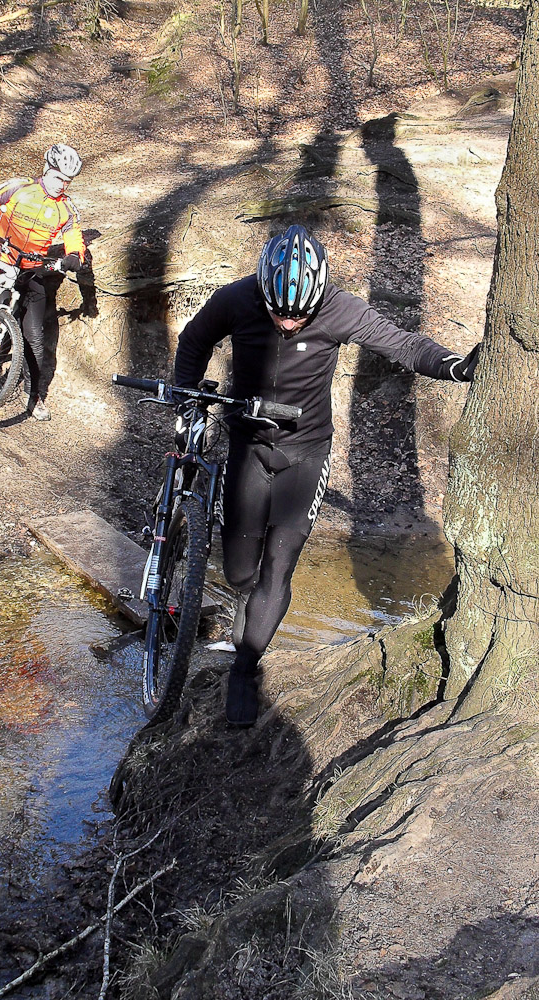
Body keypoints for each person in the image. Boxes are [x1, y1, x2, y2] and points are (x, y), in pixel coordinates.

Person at [173, 225, 480, 727]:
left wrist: (455, 367)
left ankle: (244, 670)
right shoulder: (236, 299)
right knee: (239, 573)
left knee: (279, 566)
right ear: (262, 289)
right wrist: (186, 398)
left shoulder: (340, 309)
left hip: (305, 453)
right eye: (279, 313)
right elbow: (193, 340)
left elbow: (402, 344)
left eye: (300, 315)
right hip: (248, 447)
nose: (288, 323)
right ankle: (246, 611)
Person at [0, 143, 88, 421]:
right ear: (47, 170)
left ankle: (33, 395)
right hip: (0, 259)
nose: (61, 185)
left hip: (31, 269)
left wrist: (74, 255)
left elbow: (74, 236)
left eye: (67, 181)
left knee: (34, 335)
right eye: (58, 178)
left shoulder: (65, 208)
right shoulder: (20, 188)